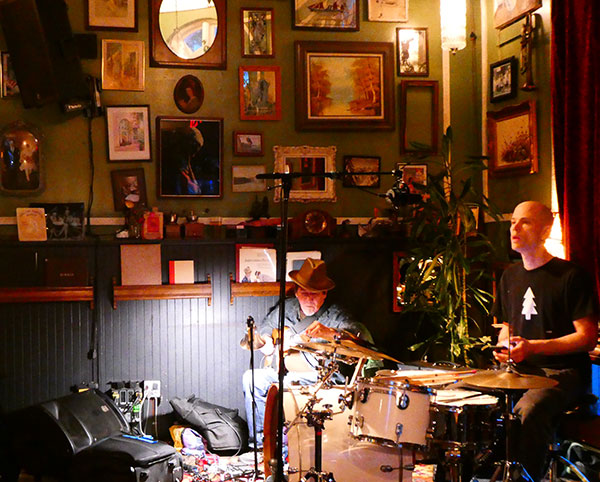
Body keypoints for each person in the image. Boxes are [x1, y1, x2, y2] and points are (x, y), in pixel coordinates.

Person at [492, 201, 598, 481]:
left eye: (524, 222)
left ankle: (524, 477)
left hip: (563, 373)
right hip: (520, 372)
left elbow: (587, 337)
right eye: (513, 221)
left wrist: (534, 347)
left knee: (529, 409)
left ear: (545, 230)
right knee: (472, 398)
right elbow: (507, 327)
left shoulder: (571, 276)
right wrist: (505, 347)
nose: (514, 227)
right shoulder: (509, 276)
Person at [241, 258, 380, 448]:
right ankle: (261, 443)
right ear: (297, 293)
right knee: (252, 378)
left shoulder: (336, 315)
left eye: (314, 295)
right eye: (304, 293)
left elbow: (359, 335)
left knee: (284, 384)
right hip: (286, 372)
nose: (308, 299)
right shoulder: (287, 308)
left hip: (321, 377)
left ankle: (290, 443)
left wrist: (331, 333)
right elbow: (267, 326)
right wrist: (266, 341)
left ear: (324, 294)